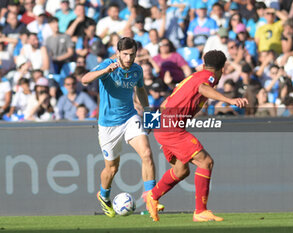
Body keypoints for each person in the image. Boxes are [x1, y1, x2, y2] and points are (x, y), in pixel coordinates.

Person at [145, 50, 248, 222]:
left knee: (181, 170)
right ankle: (200, 211)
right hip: (171, 129)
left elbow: (166, 102)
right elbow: (203, 88)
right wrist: (230, 100)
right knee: (206, 162)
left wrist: (153, 125)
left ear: (203, 61)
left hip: (164, 126)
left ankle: (152, 196)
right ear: (222, 69)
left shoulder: (192, 77)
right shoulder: (208, 78)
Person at [81, 37, 163, 218]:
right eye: (125, 54)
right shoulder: (107, 65)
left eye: (132, 54)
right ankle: (104, 196)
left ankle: (151, 198)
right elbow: (84, 79)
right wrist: (105, 71)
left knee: (147, 154)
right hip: (108, 125)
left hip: (130, 117)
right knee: (111, 169)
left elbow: (141, 90)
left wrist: (148, 114)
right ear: (118, 53)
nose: (128, 58)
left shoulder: (137, 70)